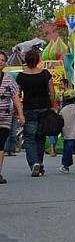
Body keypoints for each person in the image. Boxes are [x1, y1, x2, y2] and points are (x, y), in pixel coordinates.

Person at [16, 49, 54, 177]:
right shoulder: (45, 74)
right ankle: (40, 161)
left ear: (26, 61)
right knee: (40, 137)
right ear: (38, 60)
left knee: (29, 138)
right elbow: (52, 92)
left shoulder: (21, 76)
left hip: (29, 108)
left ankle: (34, 163)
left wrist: (19, 111)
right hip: (44, 108)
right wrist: (52, 105)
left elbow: (18, 94)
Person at [0, 51, 25, 183]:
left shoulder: (9, 79)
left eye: (3, 60)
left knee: (0, 145)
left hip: (4, 116)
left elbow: (16, 98)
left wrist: (21, 115)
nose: (0, 62)